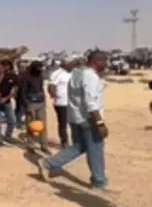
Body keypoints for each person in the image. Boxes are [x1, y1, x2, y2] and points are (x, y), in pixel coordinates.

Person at [37, 51, 114, 192]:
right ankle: (99, 182)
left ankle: (48, 163)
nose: (106, 64)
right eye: (105, 61)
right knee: (95, 150)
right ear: (97, 61)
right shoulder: (90, 77)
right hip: (89, 119)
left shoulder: (76, 73)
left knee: (78, 147)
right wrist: (100, 123)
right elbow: (91, 102)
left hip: (75, 117)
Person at [20, 60, 50, 154]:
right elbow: (23, 93)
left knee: (43, 126)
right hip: (31, 104)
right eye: (38, 68)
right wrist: (27, 106)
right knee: (31, 126)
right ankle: (31, 145)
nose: (40, 69)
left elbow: (41, 88)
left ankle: (44, 145)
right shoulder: (26, 77)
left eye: (41, 68)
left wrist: (44, 101)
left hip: (41, 103)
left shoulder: (40, 76)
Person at [48, 57, 76, 148]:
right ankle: (64, 142)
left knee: (73, 123)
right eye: (71, 64)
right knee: (63, 123)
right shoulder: (57, 74)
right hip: (61, 103)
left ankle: (75, 141)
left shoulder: (72, 73)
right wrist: (55, 95)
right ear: (65, 64)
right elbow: (51, 86)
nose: (73, 65)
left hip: (72, 102)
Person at [0, 60, 18, 145]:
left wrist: (6, 98)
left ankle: (8, 136)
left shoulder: (13, 76)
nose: (4, 67)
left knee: (13, 121)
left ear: (10, 66)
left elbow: (14, 90)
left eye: (6, 65)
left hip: (7, 102)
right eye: (3, 65)